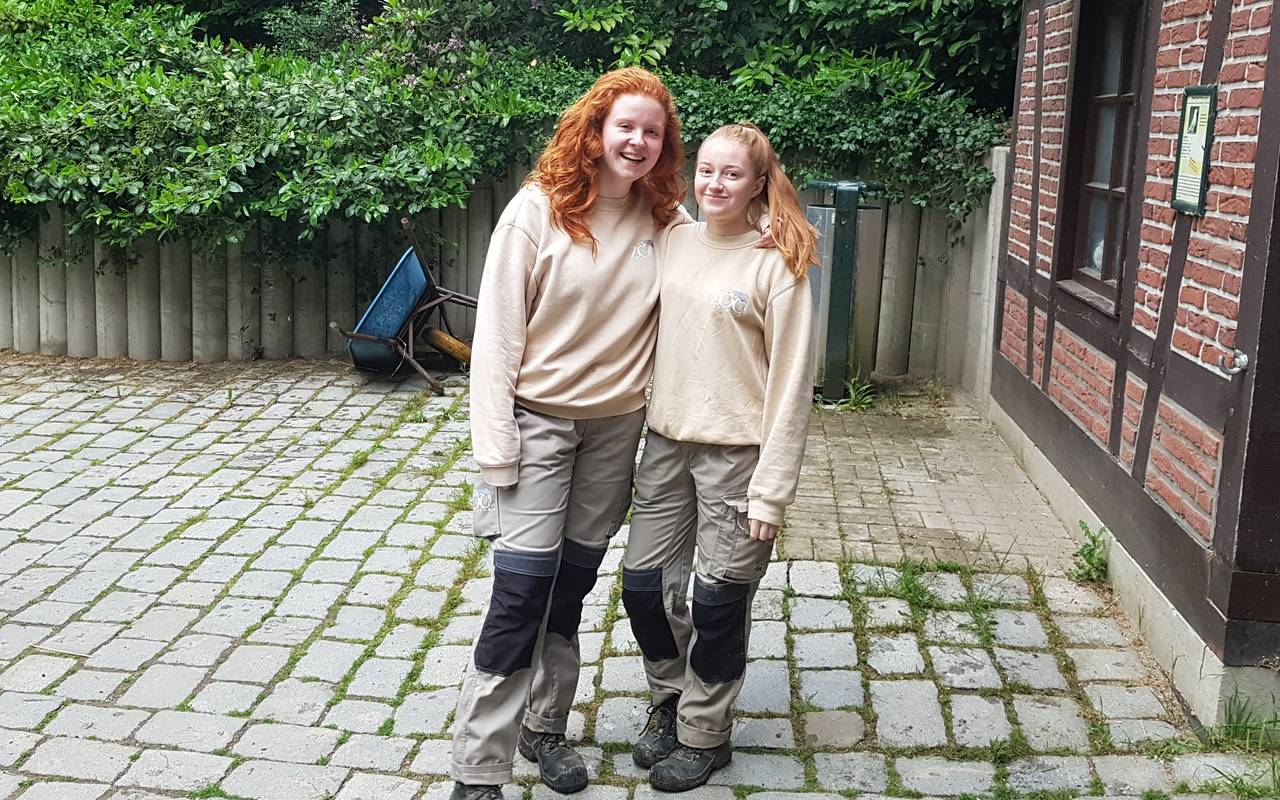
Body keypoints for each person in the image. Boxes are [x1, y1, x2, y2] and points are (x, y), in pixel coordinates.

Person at [449, 67, 688, 800]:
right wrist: (496, 449)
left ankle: (544, 726)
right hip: (537, 426)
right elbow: (496, 336)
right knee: (521, 592)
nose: (639, 141)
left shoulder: (665, 218)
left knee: (572, 584)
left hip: (615, 429)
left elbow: (724, 254)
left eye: (653, 132)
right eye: (626, 126)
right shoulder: (537, 210)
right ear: (595, 130)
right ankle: (477, 772)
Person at [620, 123, 816, 792]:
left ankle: (706, 734)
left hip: (738, 457)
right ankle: (671, 697)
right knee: (644, 588)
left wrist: (772, 490)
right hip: (666, 443)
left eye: (732, 174)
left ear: (759, 183)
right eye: (706, 170)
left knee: (717, 601)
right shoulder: (673, 236)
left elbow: (791, 382)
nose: (715, 184)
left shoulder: (777, 263)